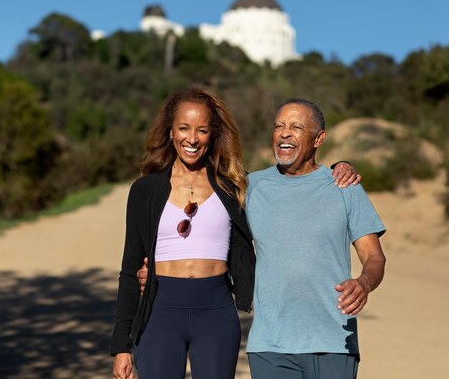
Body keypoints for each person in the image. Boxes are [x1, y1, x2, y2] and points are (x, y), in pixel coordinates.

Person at [111, 88, 361, 379]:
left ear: (212, 135)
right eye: (183, 128)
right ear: (169, 132)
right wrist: (121, 346)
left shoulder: (235, 187)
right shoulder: (145, 190)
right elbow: (130, 271)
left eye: (202, 130)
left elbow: (292, 185)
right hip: (159, 311)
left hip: (216, 311)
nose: (191, 139)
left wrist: (340, 168)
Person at [245, 98, 386, 379]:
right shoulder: (251, 188)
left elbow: (374, 256)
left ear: (318, 138)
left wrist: (364, 283)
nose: (284, 133)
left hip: (333, 340)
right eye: (279, 126)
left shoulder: (345, 186)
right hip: (269, 343)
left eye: (296, 126)